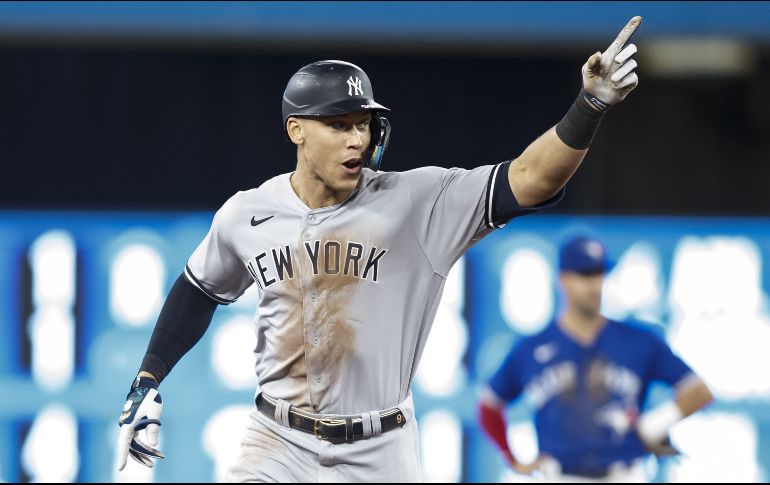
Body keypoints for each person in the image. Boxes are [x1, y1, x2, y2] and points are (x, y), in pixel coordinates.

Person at [116, 16, 645, 482]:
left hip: (379, 449)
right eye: (338, 125)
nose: (357, 139)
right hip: (277, 440)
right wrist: (147, 378)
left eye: (363, 124)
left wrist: (589, 106)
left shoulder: (417, 202)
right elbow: (199, 288)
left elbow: (531, 179)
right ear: (296, 130)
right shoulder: (247, 213)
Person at [478, 235, 715, 482]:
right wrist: (511, 458)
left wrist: (655, 423)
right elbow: (489, 405)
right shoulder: (532, 348)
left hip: (625, 474)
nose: (594, 284)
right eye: (584, 274)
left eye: (599, 273)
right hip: (561, 476)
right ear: (563, 279)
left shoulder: (637, 340)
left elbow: (698, 391)